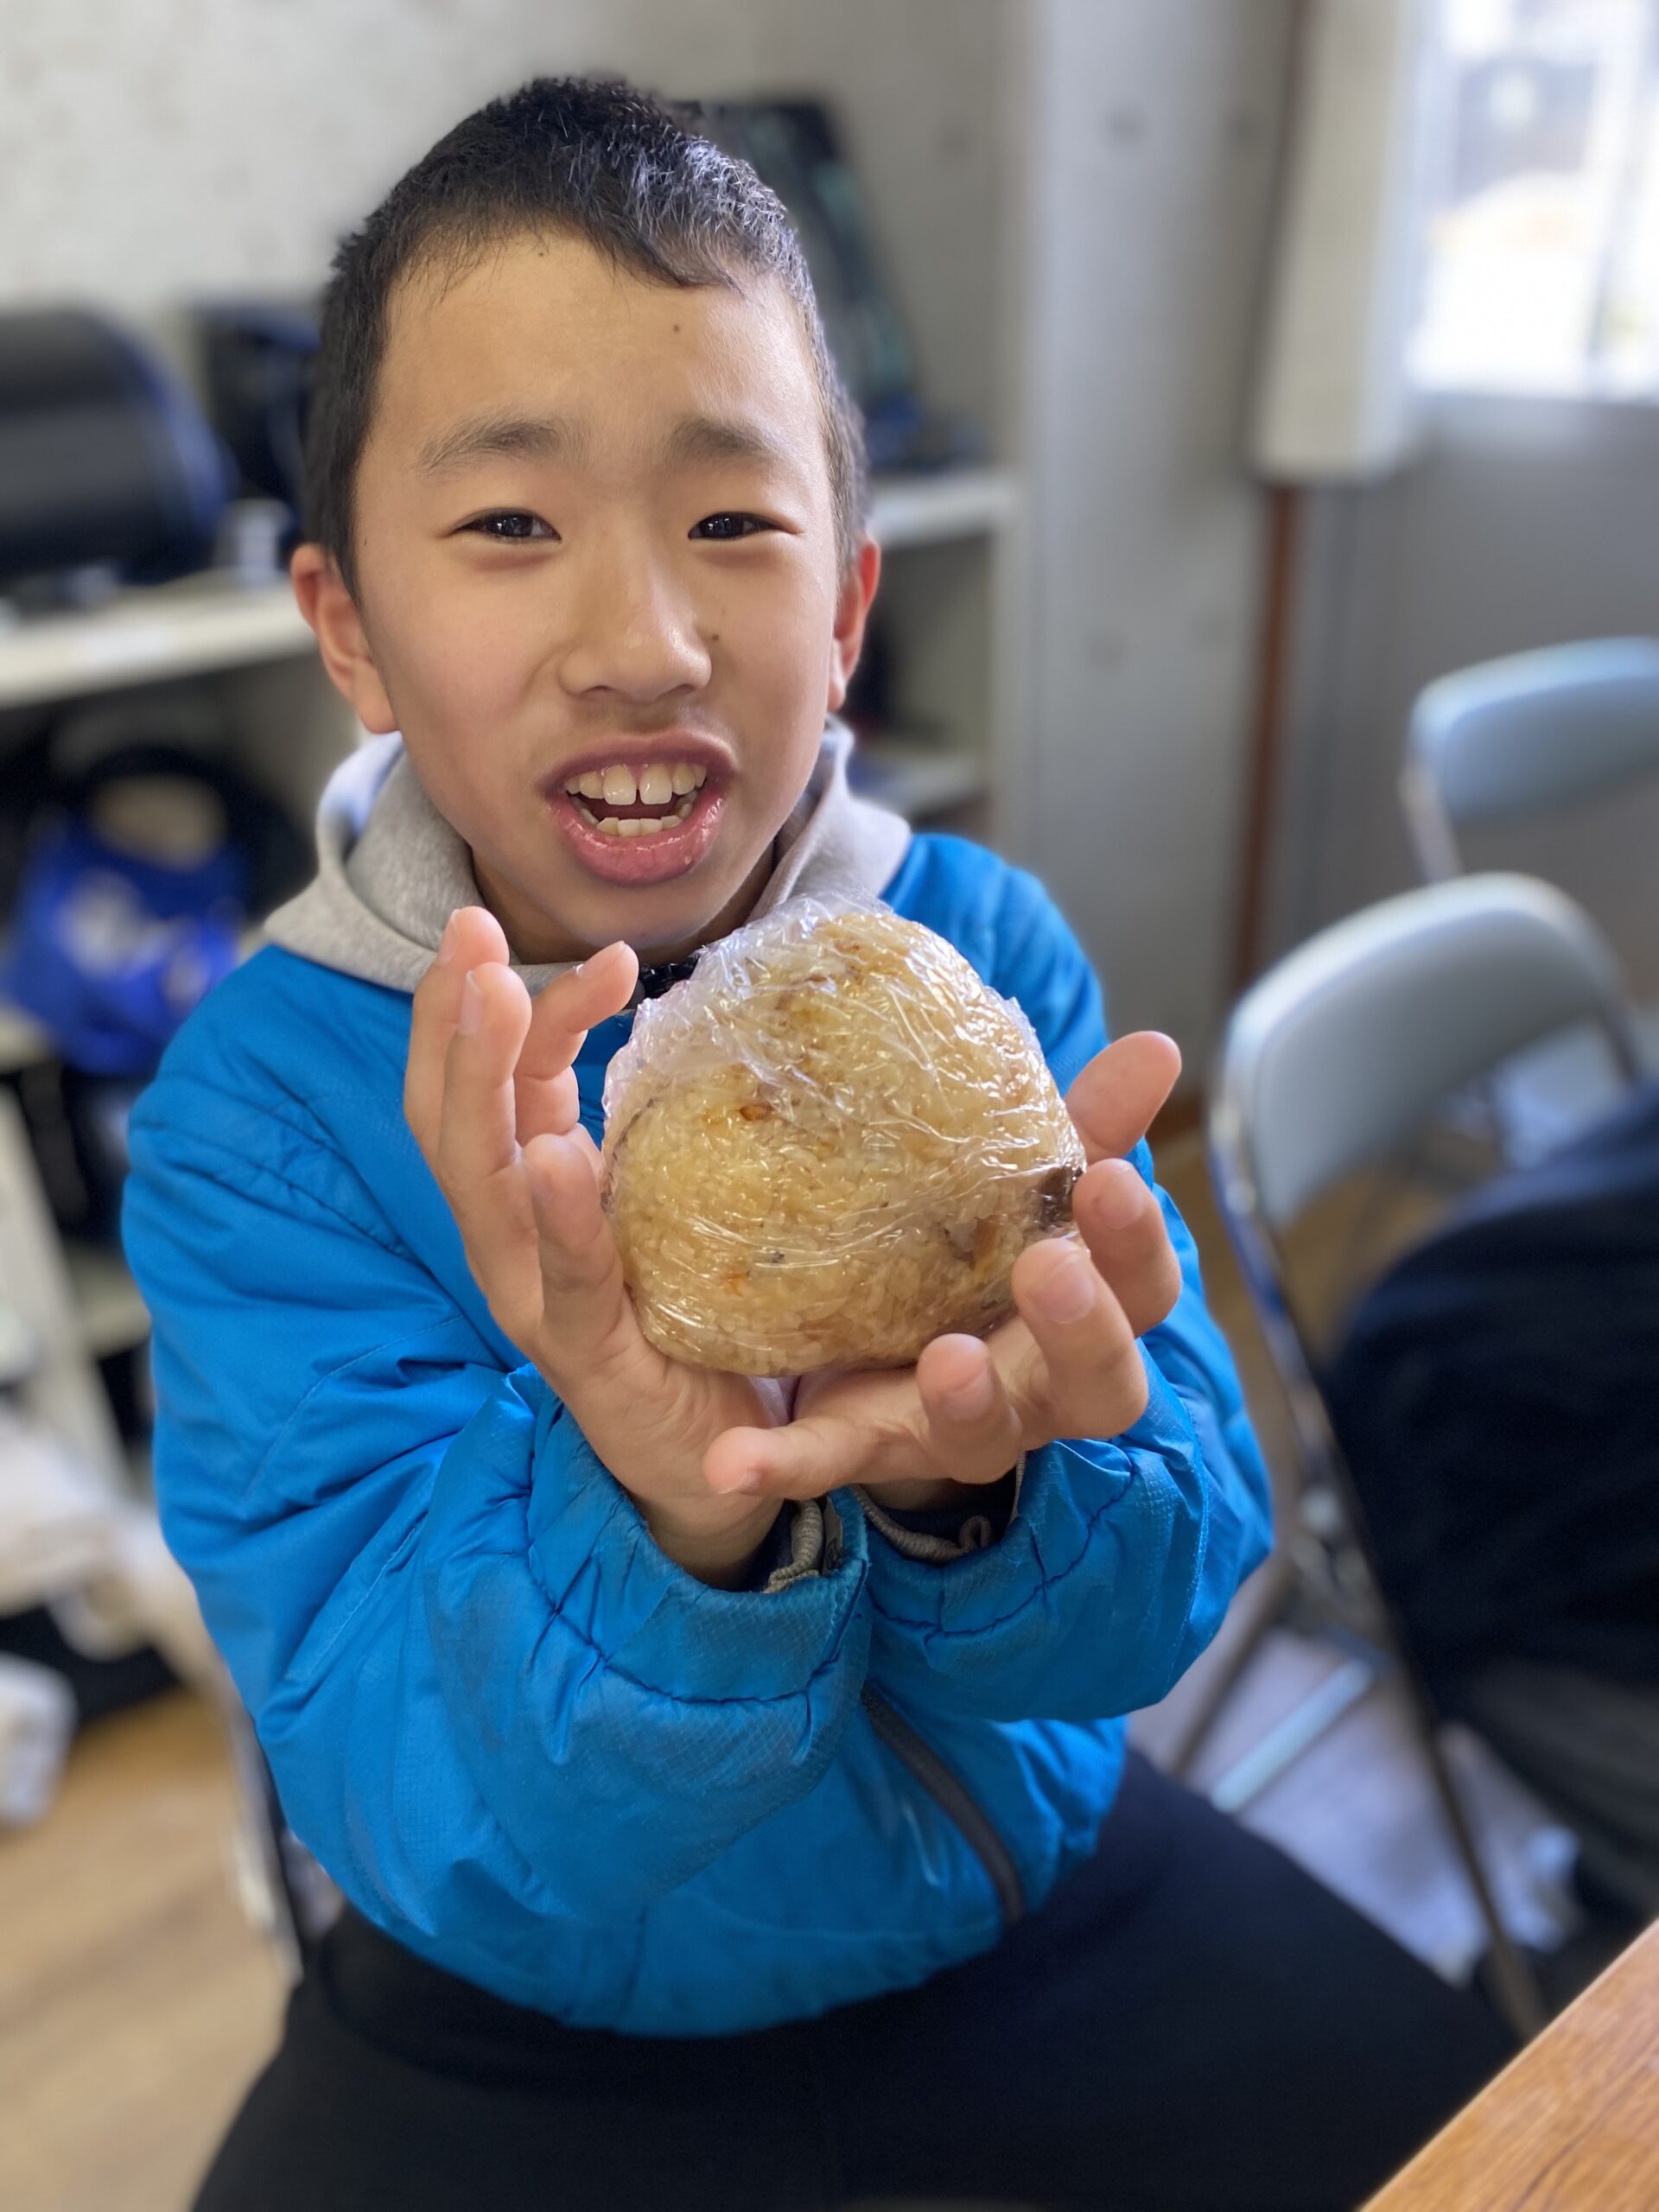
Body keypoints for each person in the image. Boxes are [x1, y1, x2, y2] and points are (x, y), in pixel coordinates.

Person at [122, 77, 1510, 2212]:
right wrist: (676, 1516)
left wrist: (976, 1485)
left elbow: (1178, 1559)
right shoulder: (259, 1121)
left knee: (1500, 2141)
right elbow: (404, 1770)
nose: (642, 641)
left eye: (733, 522)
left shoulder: (978, 956)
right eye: (510, 525)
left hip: (1018, 1872)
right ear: (350, 630)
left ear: (850, 607)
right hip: (534, 1980)